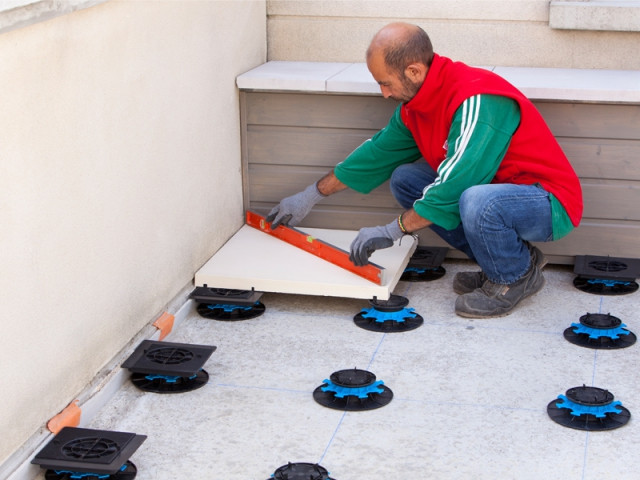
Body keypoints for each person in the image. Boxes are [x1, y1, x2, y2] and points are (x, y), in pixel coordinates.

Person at [266, 22, 583, 318]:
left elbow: (456, 186)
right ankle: (515, 259)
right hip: (495, 197)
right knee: (406, 180)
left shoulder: (476, 99)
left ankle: (513, 276)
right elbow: (375, 155)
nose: (384, 94)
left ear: (414, 71)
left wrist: (392, 231)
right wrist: (310, 195)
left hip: (547, 203)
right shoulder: (416, 106)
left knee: (475, 201)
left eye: (385, 83)